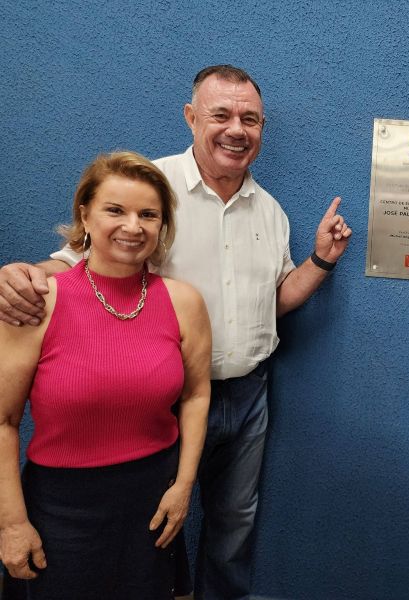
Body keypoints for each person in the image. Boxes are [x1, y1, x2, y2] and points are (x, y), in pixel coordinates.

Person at [0, 65, 351, 600]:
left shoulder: (271, 211)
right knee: (152, 527)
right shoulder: (152, 192)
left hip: (249, 394)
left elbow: (276, 299)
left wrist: (321, 261)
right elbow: (77, 265)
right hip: (163, 395)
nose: (236, 129)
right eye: (221, 114)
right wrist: (22, 276)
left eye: (250, 119)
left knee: (234, 525)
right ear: (191, 117)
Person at [0, 152, 211, 599]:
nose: (133, 226)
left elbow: (196, 395)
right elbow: (4, 421)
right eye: (115, 210)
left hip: (152, 502)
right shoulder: (38, 304)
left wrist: (183, 487)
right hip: (61, 508)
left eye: (148, 215)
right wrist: (11, 524)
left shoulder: (184, 302)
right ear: (85, 216)